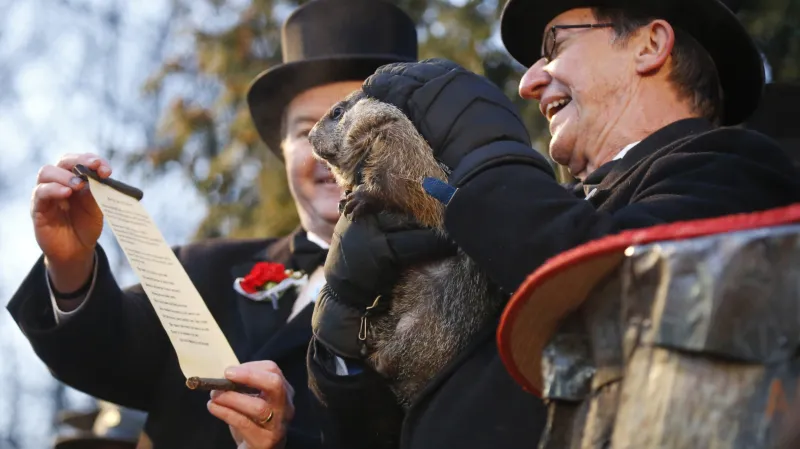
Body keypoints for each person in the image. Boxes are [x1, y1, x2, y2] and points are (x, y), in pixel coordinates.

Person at [307, 0, 800, 448]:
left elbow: (616, 280)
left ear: (650, 46)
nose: (528, 83)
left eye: (555, 47)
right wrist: (344, 321)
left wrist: (484, 154)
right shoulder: (520, 220)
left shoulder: (736, 170)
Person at [6, 1, 420, 448]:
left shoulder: (446, 293)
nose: (328, 150)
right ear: (281, 150)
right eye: (306, 131)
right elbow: (100, 357)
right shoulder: (202, 270)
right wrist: (70, 264)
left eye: (359, 126)